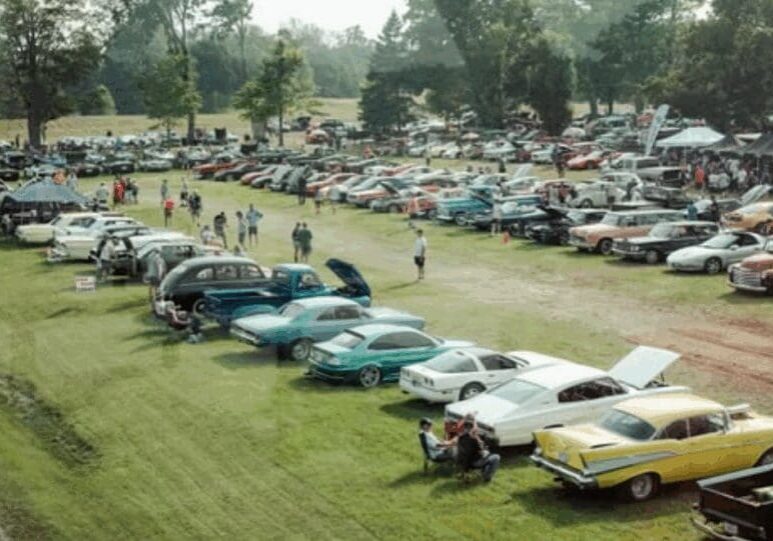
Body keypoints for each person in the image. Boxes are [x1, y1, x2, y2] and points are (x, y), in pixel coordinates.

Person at [456, 416, 500, 483]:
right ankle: (487, 477)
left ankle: (484, 471)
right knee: (496, 457)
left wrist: (474, 419)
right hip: (474, 463)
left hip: (464, 463)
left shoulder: (461, 438)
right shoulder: (474, 441)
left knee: (486, 457)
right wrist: (484, 448)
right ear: (472, 429)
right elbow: (482, 452)